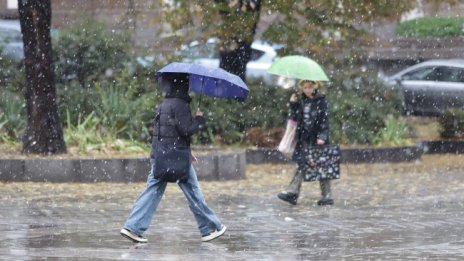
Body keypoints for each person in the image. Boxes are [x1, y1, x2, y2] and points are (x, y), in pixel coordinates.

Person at [120, 73, 226, 243]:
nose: (190, 85)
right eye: (188, 81)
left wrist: (180, 151)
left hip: (162, 156)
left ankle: (133, 227)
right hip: (176, 157)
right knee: (193, 192)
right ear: (182, 83)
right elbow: (186, 130)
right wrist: (199, 119)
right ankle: (210, 228)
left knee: (152, 191)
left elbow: (166, 132)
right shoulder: (180, 104)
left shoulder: (165, 103)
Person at [277, 79, 334, 206]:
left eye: (310, 87)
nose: (307, 90)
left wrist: (322, 136)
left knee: (322, 166)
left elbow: (324, 120)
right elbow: (296, 117)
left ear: (315, 87)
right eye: (305, 87)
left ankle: (327, 196)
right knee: (302, 164)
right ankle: (292, 193)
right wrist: (293, 104)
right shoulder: (302, 100)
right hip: (305, 139)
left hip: (318, 139)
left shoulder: (321, 100)